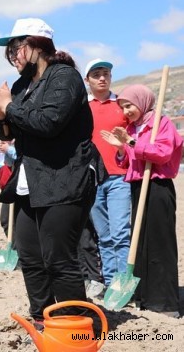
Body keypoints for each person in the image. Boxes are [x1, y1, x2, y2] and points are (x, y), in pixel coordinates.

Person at [0, 18, 106, 328]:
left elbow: (47, 123)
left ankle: (73, 324)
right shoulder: (23, 85)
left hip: (65, 178)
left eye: (17, 47)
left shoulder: (64, 78)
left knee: (59, 259)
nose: (14, 56)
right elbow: (8, 129)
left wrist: (8, 107)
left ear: (37, 44)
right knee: (31, 257)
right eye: (10, 51)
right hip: (30, 181)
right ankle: (42, 318)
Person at [101, 84, 182, 318]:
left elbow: (163, 153)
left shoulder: (161, 123)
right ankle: (144, 297)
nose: (126, 111)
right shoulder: (132, 128)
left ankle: (165, 302)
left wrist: (133, 143)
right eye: (123, 107)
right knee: (141, 243)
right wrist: (121, 148)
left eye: (129, 105)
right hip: (138, 186)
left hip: (157, 187)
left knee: (159, 243)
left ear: (142, 101)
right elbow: (128, 162)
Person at [83, 58, 131, 294]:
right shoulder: (81, 107)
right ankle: (112, 284)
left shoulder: (123, 105)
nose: (102, 78)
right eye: (96, 74)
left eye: (106, 73)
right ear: (87, 80)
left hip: (119, 177)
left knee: (120, 232)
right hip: (92, 180)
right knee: (104, 236)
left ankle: (123, 283)